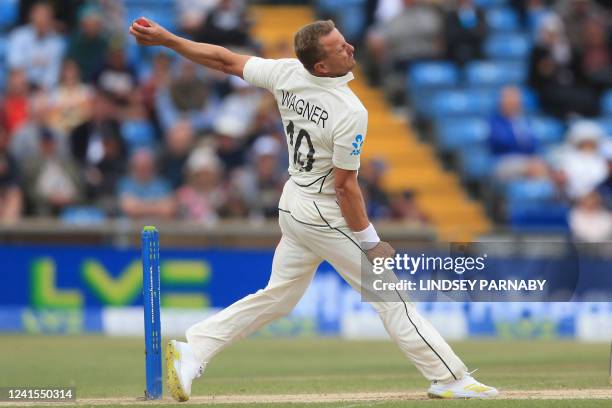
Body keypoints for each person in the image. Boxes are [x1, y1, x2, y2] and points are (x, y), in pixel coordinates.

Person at [130, 17, 498, 401]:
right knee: (391, 295)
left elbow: (224, 61)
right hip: (323, 211)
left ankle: (194, 350)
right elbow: (345, 187)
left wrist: (169, 40)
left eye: (344, 41)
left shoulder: (287, 73)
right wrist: (371, 242)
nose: (350, 48)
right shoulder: (348, 109)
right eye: (339, 48)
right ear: (320, 66)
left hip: (294, 203)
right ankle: (450, 378)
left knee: (279, 297)